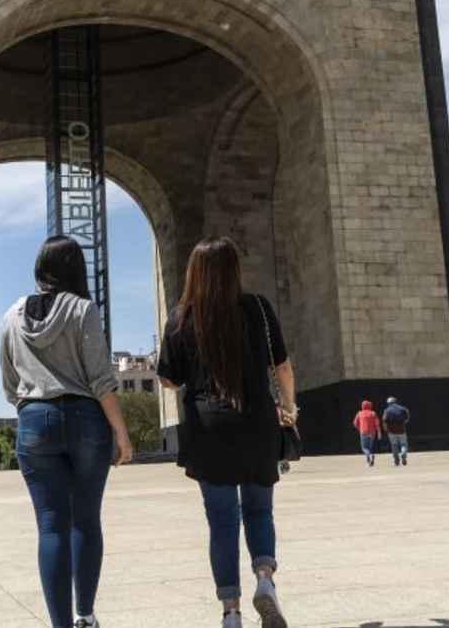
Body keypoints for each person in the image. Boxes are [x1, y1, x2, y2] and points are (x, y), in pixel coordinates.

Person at [157, 237, 295, 628]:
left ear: (194, 272)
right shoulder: (258, 308)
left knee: (221, 522)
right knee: (259, 509)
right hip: (256, 424)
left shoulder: (182, 316)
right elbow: (281, 367)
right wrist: (289, 407)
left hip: (208, 429)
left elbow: (168, 378)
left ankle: (231, 613)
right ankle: (265, 581)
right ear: (235, 269)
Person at [1, 235, 134, 628]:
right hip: (85, 421)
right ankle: (85, 615)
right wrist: (122, 434)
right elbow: (101, 379)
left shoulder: (11, 314)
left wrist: (34, 408)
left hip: (33, 421)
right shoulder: (83, 310)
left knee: (50, 524)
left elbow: (9, 384)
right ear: (77, 269)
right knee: (85, 520)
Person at [382, 397, 411, 466]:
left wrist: (385, 428)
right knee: (403, 444)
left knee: (394, 445)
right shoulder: (402, 409)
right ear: (395, 401)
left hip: (391, 431)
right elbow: (407, 417)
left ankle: (396, 460)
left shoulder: (386, 410)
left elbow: (384, 420)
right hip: (401, 430)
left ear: (388, 403)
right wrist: (404, 423)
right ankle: (403, 454)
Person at [352, 400, 381, 467]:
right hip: (372, 433)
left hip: (363, 432)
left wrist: (359, 428)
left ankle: (368, 459)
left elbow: (355, 423)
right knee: (370, 447)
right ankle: (371, 455)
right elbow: (377, 424)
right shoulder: (373, 413)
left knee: (364, 448)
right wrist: (379, 432)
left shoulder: (359, 413)